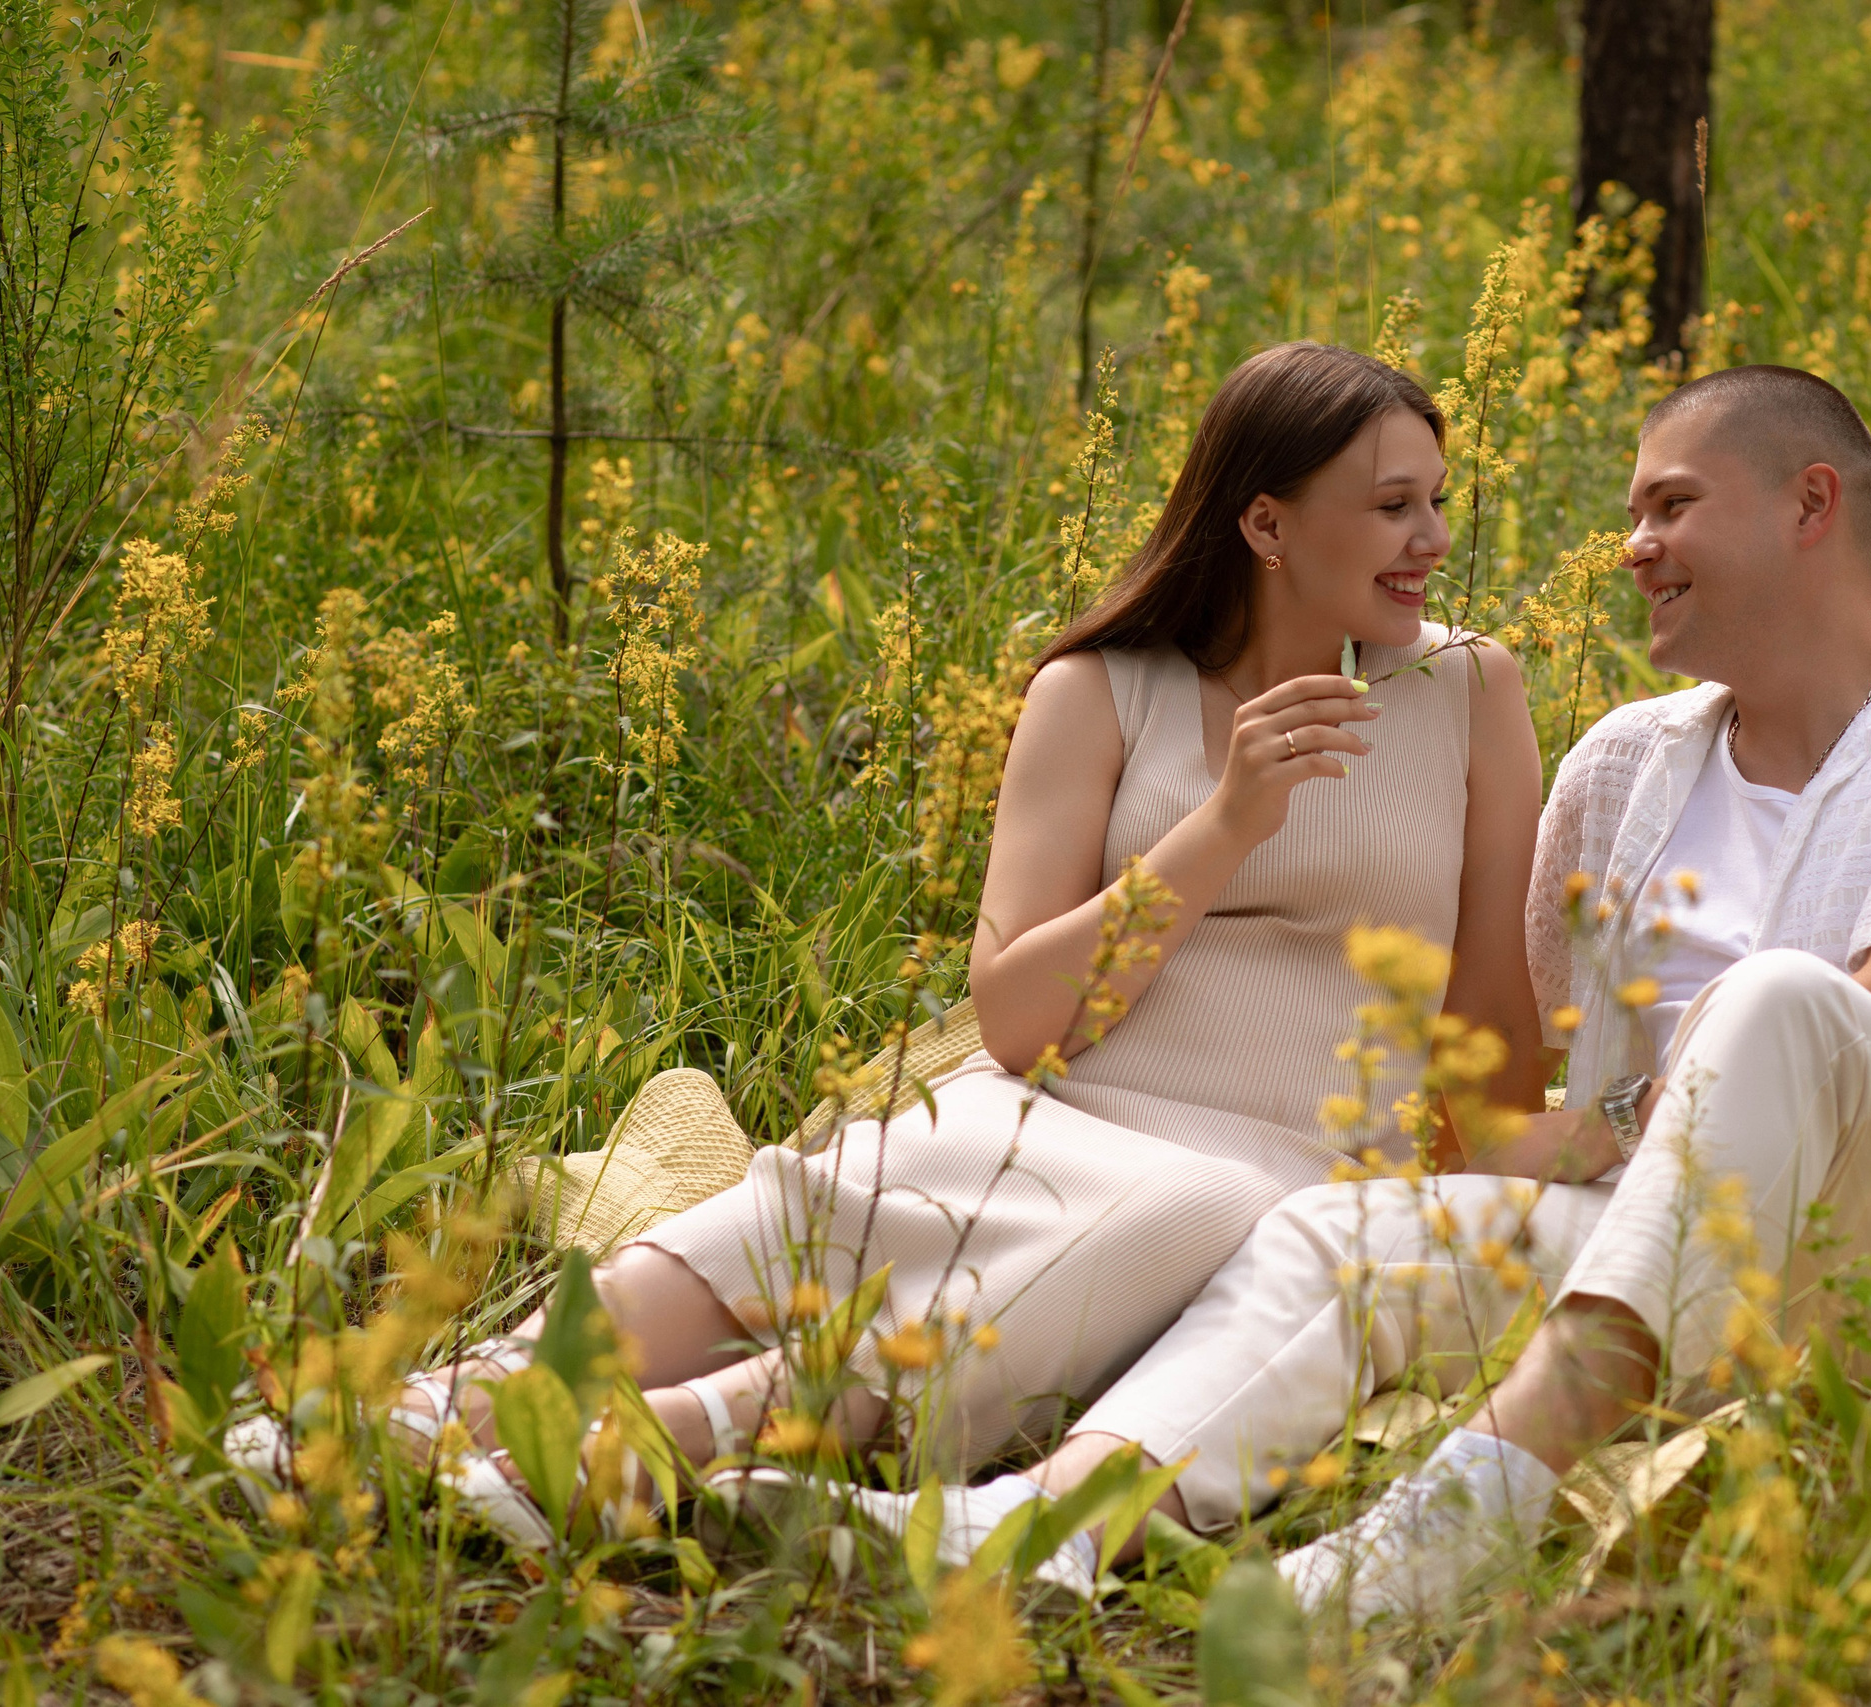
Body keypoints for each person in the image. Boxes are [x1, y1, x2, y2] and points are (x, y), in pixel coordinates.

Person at [229, 342, 1548, 1546]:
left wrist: (1604, 1146)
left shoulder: (1472, 690)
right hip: (1057, 1102)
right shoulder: (1101, 691)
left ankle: (665, 1443)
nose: (1432, 537)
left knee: (1185, 1205)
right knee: (866, 1185)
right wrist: (1225, 821)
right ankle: (466, 1394)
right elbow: (1024, 1019)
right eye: (1392, 505)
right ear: (1265, 520)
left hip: (1280, 1172)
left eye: (1436, 499)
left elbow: (1489, 1039)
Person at [880, 364, 1871, 1616]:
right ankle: (1046, 1522)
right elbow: (1503, 1105)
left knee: (1776, 997)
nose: (1633, 546)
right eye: (1635, 513)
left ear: (1808, 505)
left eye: (1670, 507)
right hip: (1668, 1263)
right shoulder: (1623, 767)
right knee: (1333, 1237)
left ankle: (1455, 1519)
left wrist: (1629, 1123)